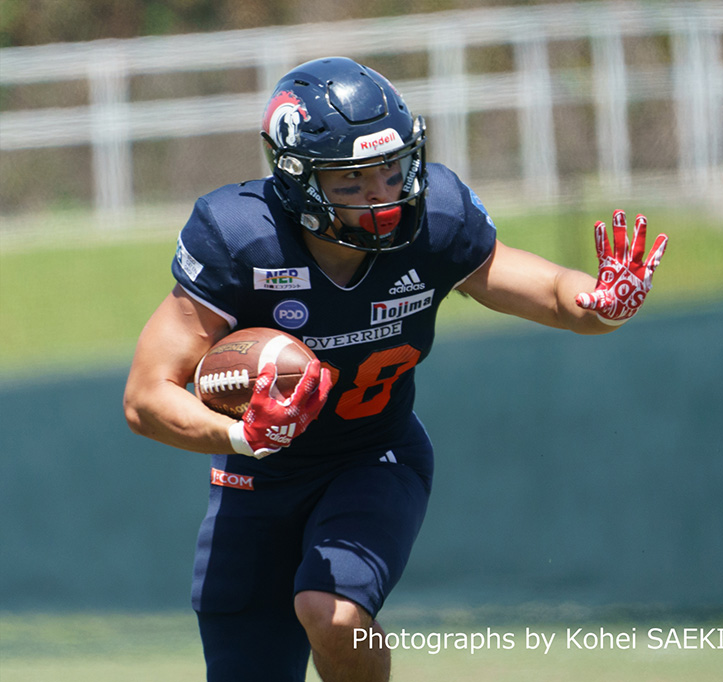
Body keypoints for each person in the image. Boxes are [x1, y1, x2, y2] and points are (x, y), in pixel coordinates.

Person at [123, 56, 667, 682]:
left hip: (374, 456)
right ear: (299, 179)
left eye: (391, 171)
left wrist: (597, 302)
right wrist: (242, 435)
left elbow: (546, 291)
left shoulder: (434, 220)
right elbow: (145, 397)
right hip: (256, 481)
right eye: (353, 184)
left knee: (330, 612)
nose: (381, 198)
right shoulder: (239, 236)